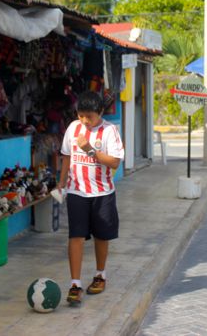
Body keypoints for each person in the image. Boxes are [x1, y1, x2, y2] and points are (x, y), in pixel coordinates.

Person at [58, 91, 125, 307]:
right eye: (81, 116)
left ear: (101, 113)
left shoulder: (109, 131)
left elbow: (114, 162)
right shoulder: (72, 128)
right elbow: (67, 156)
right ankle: (75, 284)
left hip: (102, 193)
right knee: (75, 237)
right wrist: (61, 182)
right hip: (77, 192)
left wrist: (90, 150)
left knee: (101, 236)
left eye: (90, 116)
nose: (85, 121)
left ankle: (100, 274)